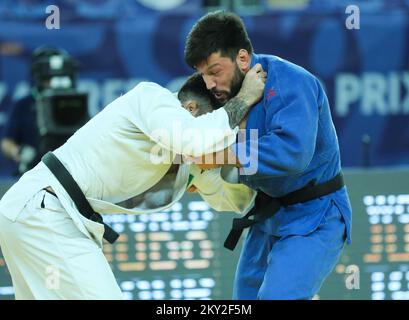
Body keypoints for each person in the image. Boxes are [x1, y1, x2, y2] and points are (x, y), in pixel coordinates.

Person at [0, 66, 265, 299]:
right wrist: (244, 98)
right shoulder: (151, 98)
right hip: (42, 209)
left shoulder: (191, 153)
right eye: (216, 130)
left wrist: (244, 162)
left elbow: (232, 200)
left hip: (37, 213)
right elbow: (196, 138)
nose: (218, 141)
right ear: (190, 110)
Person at [184, 11, 353, 300]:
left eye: (214, 71)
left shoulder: (291, 82)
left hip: (315, 214)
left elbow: (293, 153)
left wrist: (221, 156)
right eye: (203, 75)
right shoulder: (227, 94)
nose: (209, 83)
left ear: (242, 58)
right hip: (269, 217)